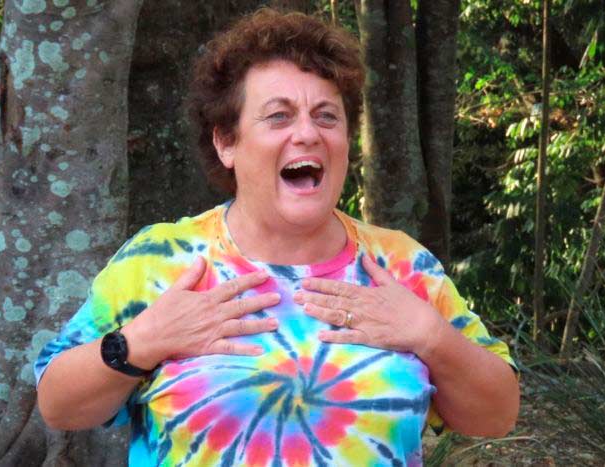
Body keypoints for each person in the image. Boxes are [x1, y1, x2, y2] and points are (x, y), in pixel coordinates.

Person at [35, 8, 519, 466]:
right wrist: (141, 342)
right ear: (226, 142)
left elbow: (496, 415)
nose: (308, 133)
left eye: (327, 116)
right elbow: (59, 405)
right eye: (279, 116)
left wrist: (431, 337)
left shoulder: (401, 264)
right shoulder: (160, 260)